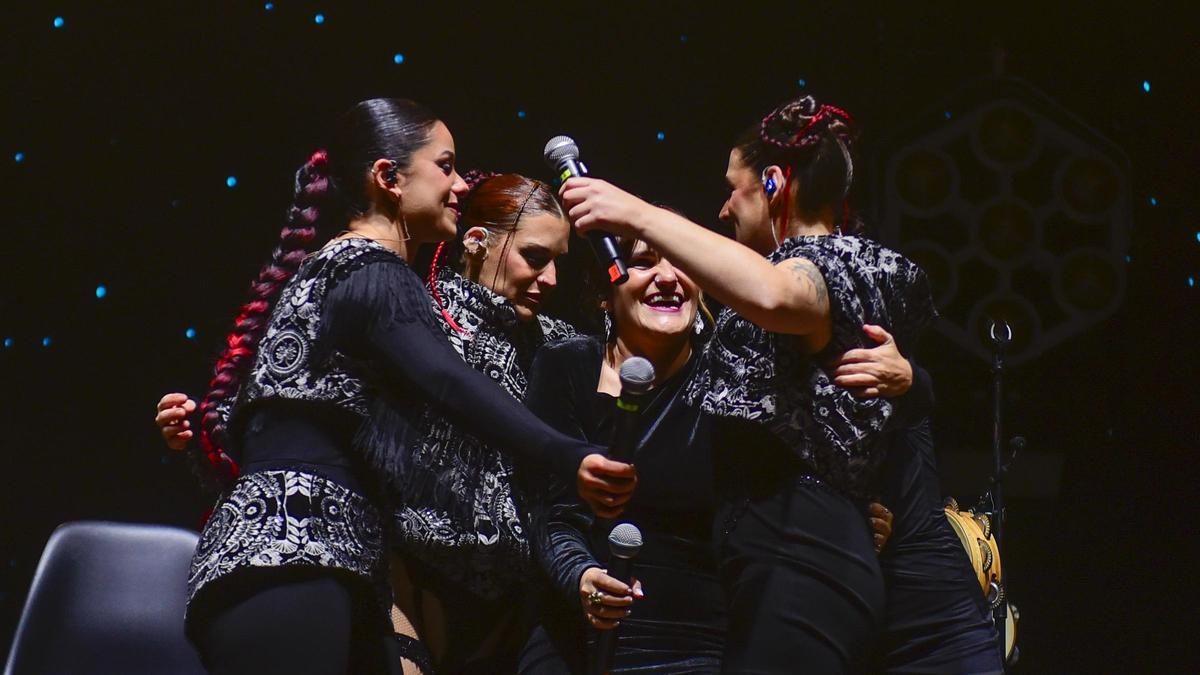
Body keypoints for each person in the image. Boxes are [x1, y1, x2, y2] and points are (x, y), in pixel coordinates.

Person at [166, 97, 634, 675]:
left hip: (317, 561)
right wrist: (570, 455)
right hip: (294, 555)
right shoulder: (373, 270)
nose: (460, 185)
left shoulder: (345, 270)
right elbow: (447, 378)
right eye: (446, 166)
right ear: (388, 178)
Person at [558, 95, 936, 673]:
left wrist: (635, 214)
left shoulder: (829, 263)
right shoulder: (801, 270)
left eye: (735, 188)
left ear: (776, 183)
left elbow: (777, 296)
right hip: (778, 558)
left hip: (803, 553)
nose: (726, 207)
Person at [519, 237, 913, 674]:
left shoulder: (736, 384)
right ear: (604, 294)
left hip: (697, 641)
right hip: (576, 629)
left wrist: (851, 519)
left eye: (682, 262)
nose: (667, 277)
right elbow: (551, 510)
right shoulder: (565, 365)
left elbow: (789, 484)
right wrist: (582, 576)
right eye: (644, 263)